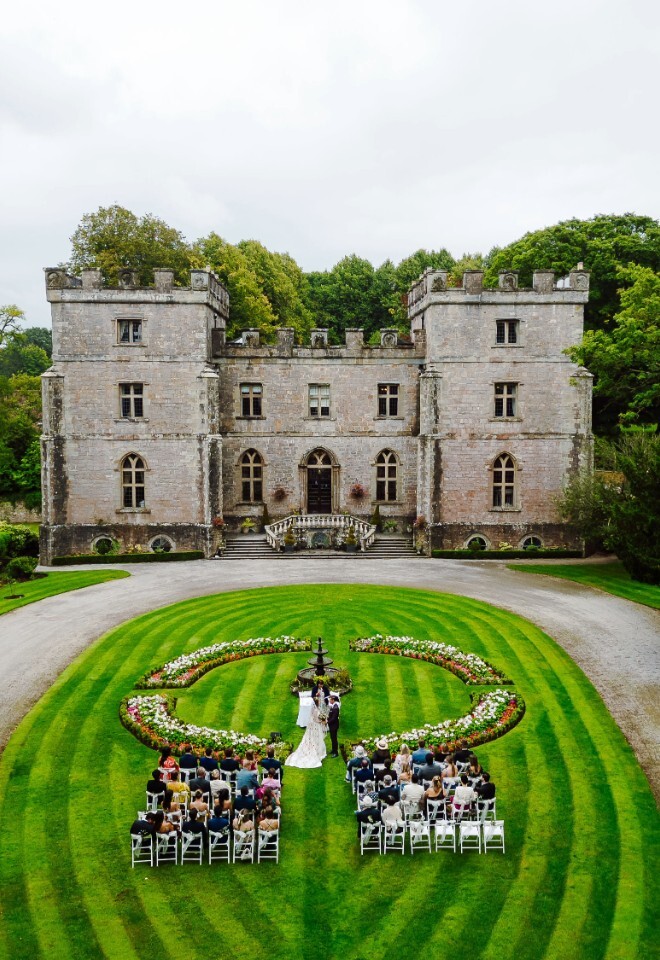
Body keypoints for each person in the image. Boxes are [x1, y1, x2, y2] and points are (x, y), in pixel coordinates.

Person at [286, 700, 327, 768]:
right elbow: (316, 719)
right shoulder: (316, 711)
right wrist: (322, 720)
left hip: (312, 726)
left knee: (313, 738)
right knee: (316, 738)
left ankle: (316, 747)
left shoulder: (314, 709)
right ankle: (316, 750)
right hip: (315, 726)